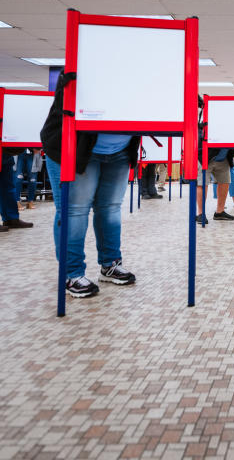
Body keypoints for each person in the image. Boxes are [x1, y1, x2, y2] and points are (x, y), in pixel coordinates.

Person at [41, 72, 137, 298]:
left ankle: (110, 264)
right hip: (76, 148)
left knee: (111, 208)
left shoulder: (140, 73)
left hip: (119, 149)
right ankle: (72, 274)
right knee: (74, 211)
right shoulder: (88, 63)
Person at [196, 148, 234, 224]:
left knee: (225, 182)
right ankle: (201, 214)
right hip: (205, 155)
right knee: (202, 184)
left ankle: (219, 212)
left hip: (223, 157)